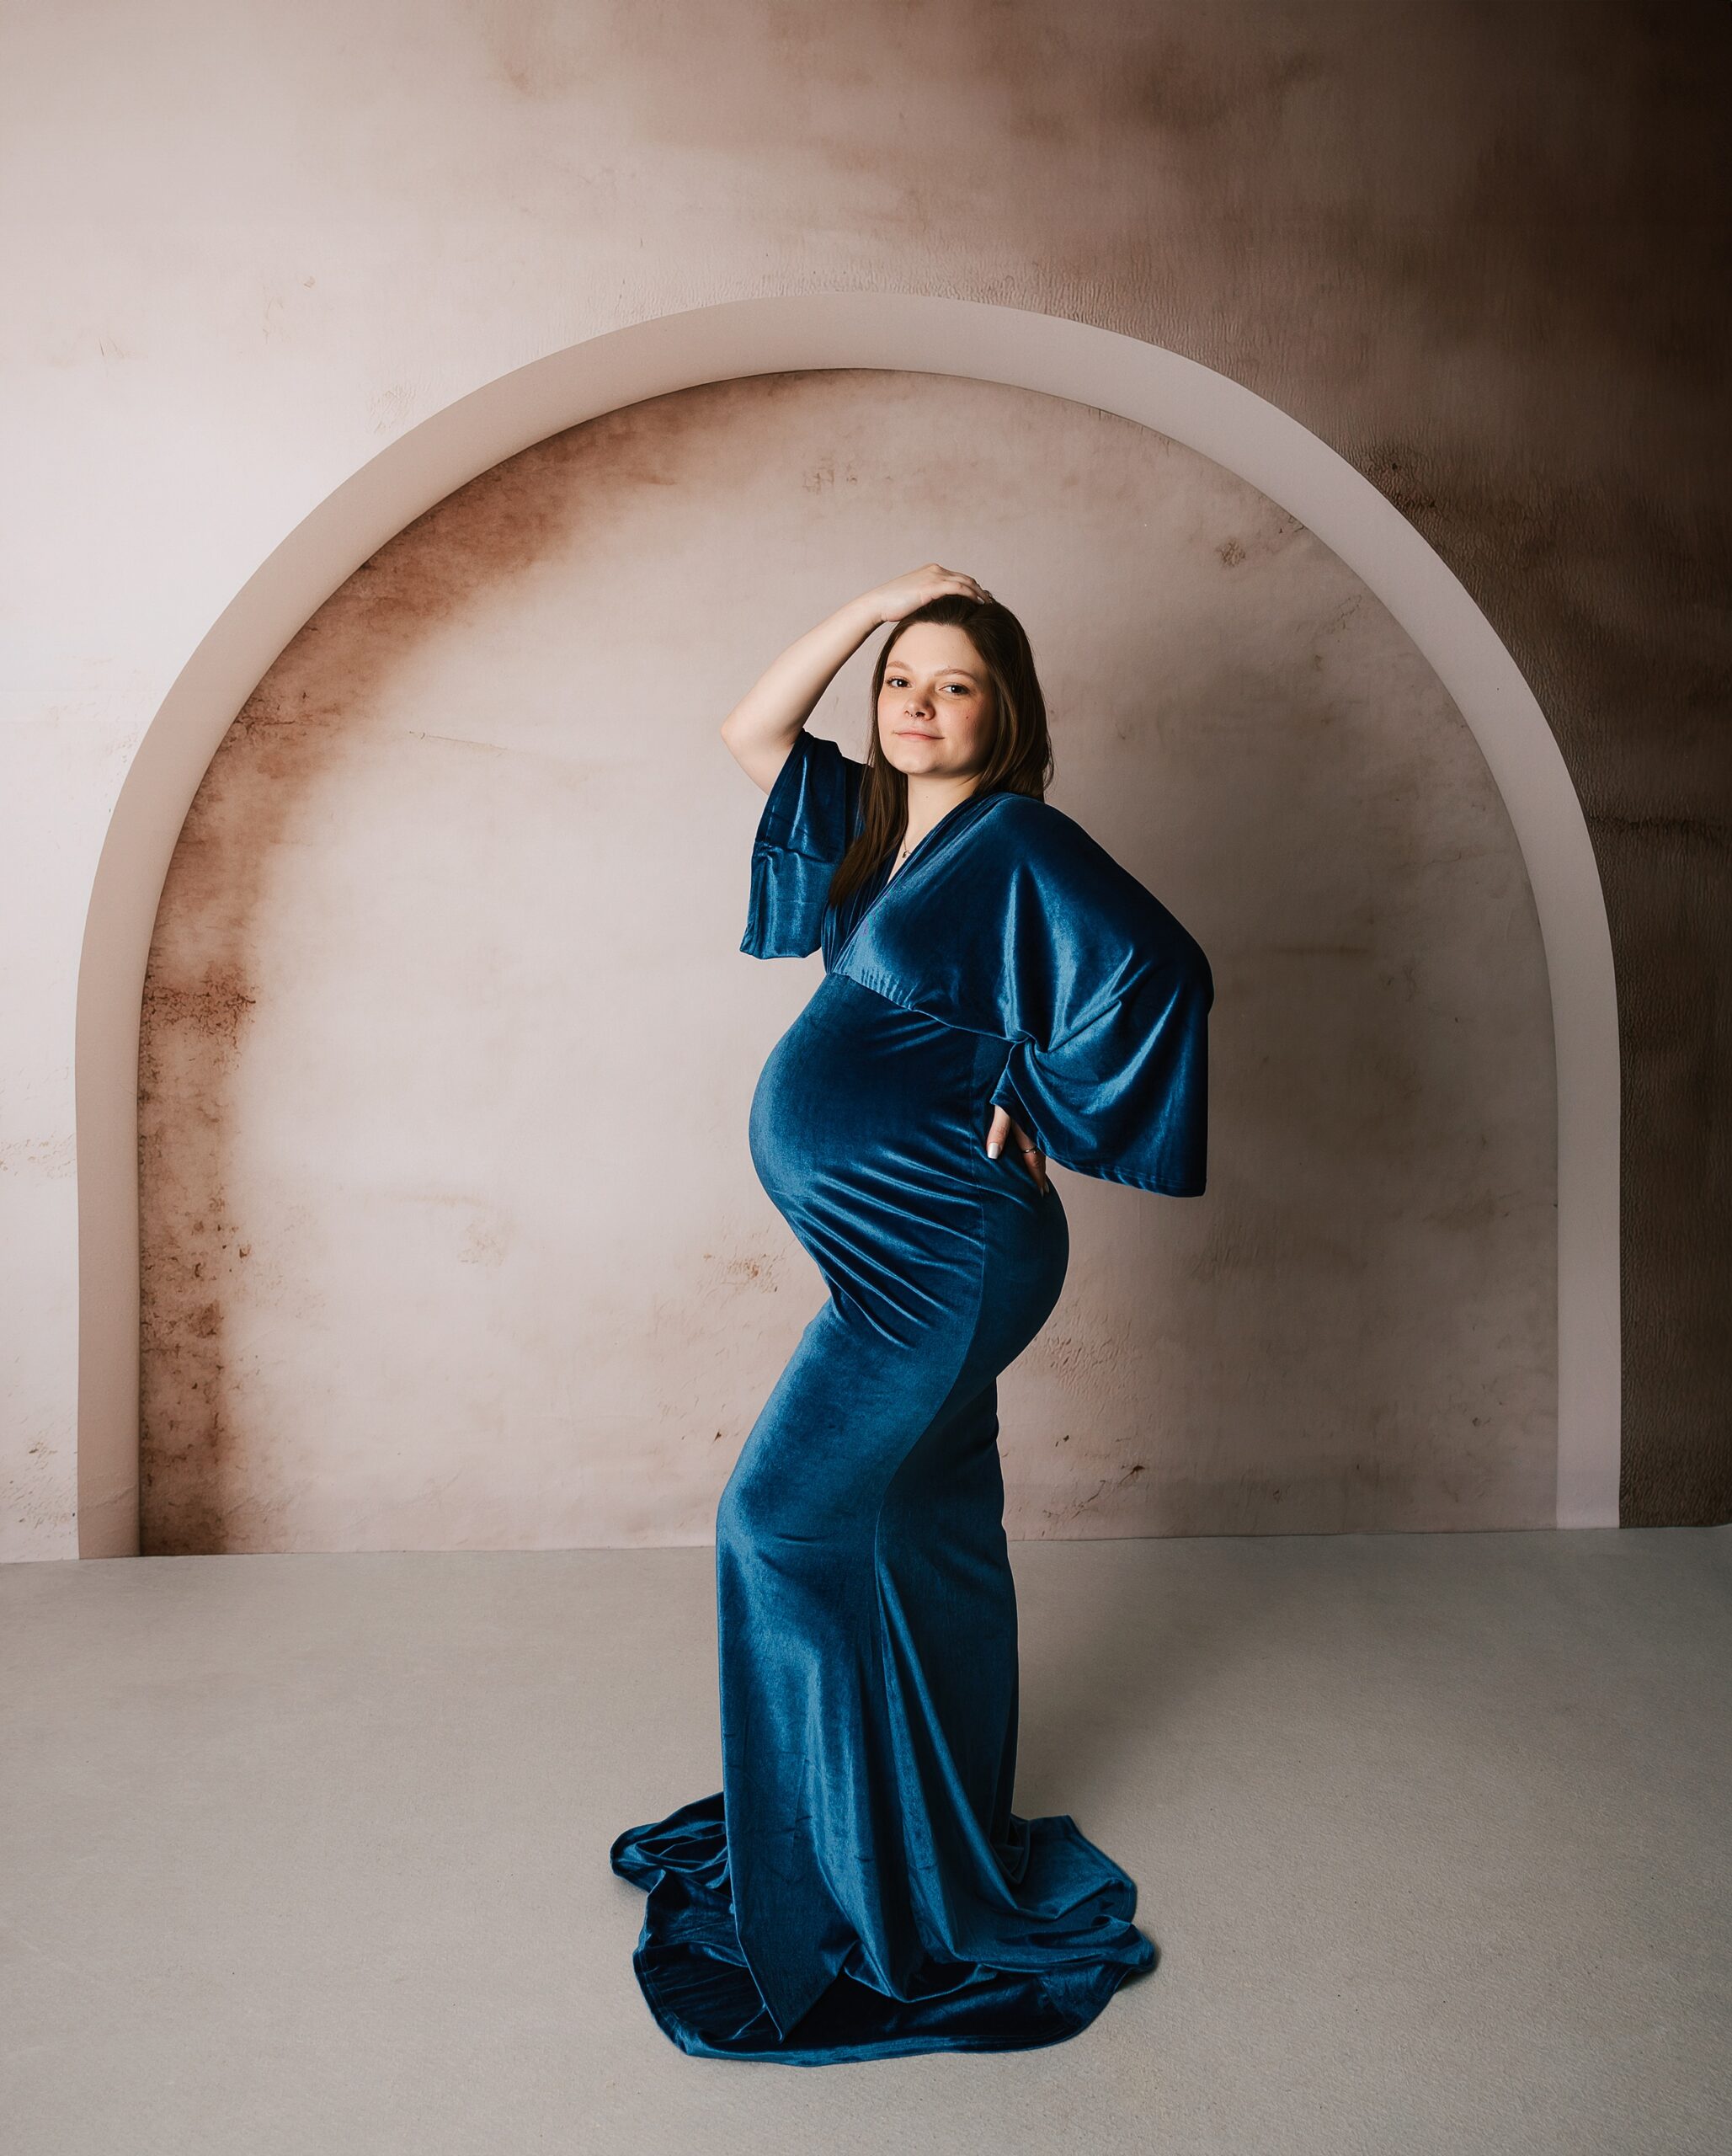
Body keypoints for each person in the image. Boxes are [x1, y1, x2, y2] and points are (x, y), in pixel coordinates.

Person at [610, 564, 1212, 2063]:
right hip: (894, 1249)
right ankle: (910, 1837)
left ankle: (837, 1891)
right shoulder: (874, 828)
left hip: (943, 1253)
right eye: (900, 684)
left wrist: (1033, 1091)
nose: (919, 707)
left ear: (1004, 712)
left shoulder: (1018, 840)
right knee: (925, 1529)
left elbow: (1166, 970)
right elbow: (748, 725)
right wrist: (878, 603)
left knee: (784, 1523)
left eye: (953, 686)